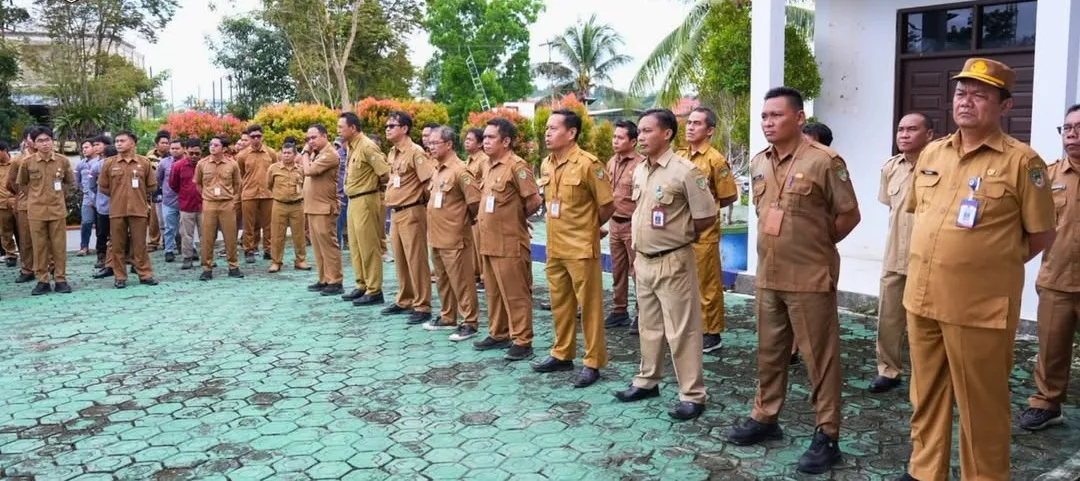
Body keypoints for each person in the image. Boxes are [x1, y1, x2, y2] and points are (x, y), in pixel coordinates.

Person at [902, 58, 1057, 481]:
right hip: (922, 299)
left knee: (981, 407)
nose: (966, 101)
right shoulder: (932, 152)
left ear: (1005, 106)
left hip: (979, 308)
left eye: (980, 94)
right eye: (961, 92)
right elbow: (922, 215)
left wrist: (988, 265)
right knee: (925, 396)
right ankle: (925, 472)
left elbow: (1042, 234)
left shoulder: (1023, 162)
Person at [726, 87, 861, 475]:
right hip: (769, 276)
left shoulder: (825, 161)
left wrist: (817, 245)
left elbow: (850, 215)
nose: (768, 123)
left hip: (810, 277)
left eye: (776, 115)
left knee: (820, 360)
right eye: (764, 116)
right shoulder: (759, 162)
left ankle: (827, 434)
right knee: (769, 352)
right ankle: (766, 417)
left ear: (799, 118)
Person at [613, 108, 716, 420]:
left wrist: (679, 237)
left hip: (673, 260)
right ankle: (647, 380)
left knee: (682, 331)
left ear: (667, 133)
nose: (640, 136)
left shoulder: (685, 172)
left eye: (647, 131)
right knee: (649, 326)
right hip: (643, 260)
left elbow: (706, 216)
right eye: (640, 131)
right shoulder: (641, 170)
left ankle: (692, 395)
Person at [532, 109, 615, 387]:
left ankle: (593, 362)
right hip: (555, 246)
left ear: (571, 133)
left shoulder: (589, 164)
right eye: (546, 128)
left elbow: (607, 205)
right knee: (560, 303)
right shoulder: (546, 164)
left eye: (553, 128)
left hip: (581, 248)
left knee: (589, 307)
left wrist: (589, 228)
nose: (547, 133)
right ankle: (562, 353)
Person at [1021, 103, 1080, 431]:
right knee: (1051, 348)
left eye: (1079, 128)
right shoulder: (1048, 176)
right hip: (1057, 278)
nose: (1072, 134)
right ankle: (1046, 403)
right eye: (1067, 128)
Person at [870, 113, 934, 394]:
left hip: (930, 257)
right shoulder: (890, 168)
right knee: (889, 317)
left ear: (929, 134)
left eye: (912, 129)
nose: (904, 135)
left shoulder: (940, 166)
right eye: (900, 129)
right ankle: (888, 370)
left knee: (929, 321)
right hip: (895, 254)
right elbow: (890, 204)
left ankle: (928, 376)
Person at [473, 117, 542, 360]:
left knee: (515, 293)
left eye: (491, 137)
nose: (485, 141)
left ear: (506, 141)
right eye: (484, 137)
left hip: (509, 241)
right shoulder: (488, 165)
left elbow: (534, 200)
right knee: (493, 292)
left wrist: (515, 218)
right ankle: (499, 333)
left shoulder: (517, 166)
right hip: (488, 241)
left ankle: (522, 340)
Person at [677, 107, 740, 353]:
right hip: (680, 230)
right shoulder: (679, 155)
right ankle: (691, 327)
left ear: (710, 130)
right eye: (689, 122)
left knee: (707, 283)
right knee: (683, 282)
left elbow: (729, 195)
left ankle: (712, 333)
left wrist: (706, 209)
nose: (690, 127)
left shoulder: (715, 160)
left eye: (697, 123)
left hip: (704, 233)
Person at [424, 126, 482, 341]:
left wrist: (464, 222)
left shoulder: (460, 170)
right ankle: (448, 316)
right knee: (442, 279)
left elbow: (475, 202)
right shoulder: (437, 169)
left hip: (455, 235)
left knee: (462, 280)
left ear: (449, 144)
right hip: (436, 235)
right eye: (429, 143)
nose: (430, 147)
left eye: (435, 143)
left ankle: (470, 322)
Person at [381, 111, 434, 324]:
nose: (387, 129)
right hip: (396, 212)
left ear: (404, 129)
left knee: (416, 259)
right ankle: (405, 299)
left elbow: (428, 182)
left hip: (412, 211)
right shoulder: (393, 153)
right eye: (387, 126)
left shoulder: (415, 152)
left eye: (392, 126)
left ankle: (423, 305)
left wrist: (422, 205)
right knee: (401, 259)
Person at [338, 112, 389, 305]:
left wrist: (373, 188)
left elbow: (384, 173)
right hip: (353, 200)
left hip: (366, 198)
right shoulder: (352, 146)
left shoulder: (367, 146)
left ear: (352, 128)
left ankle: (374, 290)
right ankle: (362, 285)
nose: (338, 130)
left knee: (369, 246)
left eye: (341, 127)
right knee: (356, 246)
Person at [16, 127, 75, 295]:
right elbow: (22, 184)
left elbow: (69, 182)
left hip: (57, 210)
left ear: (52, 141)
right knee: (39, 247)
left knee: (59, 246)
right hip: (36, 211)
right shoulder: (27, 162)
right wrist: (35, 197)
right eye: (40, 141)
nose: (44, 144)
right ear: (34, 144)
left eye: (47, 139)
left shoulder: (62, 161)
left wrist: (59, 197)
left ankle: (60, 279)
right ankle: (42, 280)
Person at [98, 131, 159, 289]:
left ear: (132, 143)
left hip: (138, 209)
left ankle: (145, 274)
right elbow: (103, 187)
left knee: (140, 245)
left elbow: (151, 186)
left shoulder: (144, 162)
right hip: (117, 210)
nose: (118, 143)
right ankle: (120, 277)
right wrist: (119, 195)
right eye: (117, 141)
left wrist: (137, 196)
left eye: (122, 141)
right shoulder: (109, 163)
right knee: (117, 245)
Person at [606, 120, 644, 333]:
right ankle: (619, 310)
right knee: (617, 269)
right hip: (614, 223)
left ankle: (642, 314)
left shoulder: (641, 165)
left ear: (633, 141)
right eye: (614, 137)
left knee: (637, 271)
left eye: (620, 138)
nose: (615, 141)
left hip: (632, 225)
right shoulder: (611, 162)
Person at [303, 124, 345, 295]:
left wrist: (304, 152)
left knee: (328, 246)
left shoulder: (330, 154)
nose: (310, 141)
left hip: (324, 208)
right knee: (318, 247)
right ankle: (324, 279)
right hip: (313, 207)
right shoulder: (318, 153)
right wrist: (309, 153)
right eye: (308, 139)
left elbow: (308, 170)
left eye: (314, 137)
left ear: (325, 136)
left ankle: (335, 280)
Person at [195, 137, 245, 280]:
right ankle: (207, 268)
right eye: (211, 144)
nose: (212, 147)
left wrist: (232, 198)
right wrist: (207, 196)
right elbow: (198, 183)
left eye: (216, 145)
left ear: (223, 148)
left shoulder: (232, 164)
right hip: (209, 203)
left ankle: (233, 267)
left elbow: (237, 184)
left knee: (230, 236)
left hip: (227, 203)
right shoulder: (202, 164)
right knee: (207, 237)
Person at [235, 125, 277, 263]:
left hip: (268, 193)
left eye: (258, 136)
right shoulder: (242, 155)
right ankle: (249, 250)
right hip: (249, 193)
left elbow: (275, 170)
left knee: (269, 224)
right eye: (253, 137)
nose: (256, 139)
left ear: (262, 136)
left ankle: (268, 249)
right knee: (249, 225)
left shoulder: (271, 153)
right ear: (249, 138)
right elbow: (240, 174)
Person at [266, 141, 309, 273]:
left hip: (297, 205)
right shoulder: (273, 169)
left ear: (295, 155)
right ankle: (276, 262)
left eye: (289, 153)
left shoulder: (301, 169)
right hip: (279, 204)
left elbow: (305, 185)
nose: (286, 155)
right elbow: (269, 185)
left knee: (299, 234)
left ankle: (300, 260)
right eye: (284, 153)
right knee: (277, 235)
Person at [10, 129, 39, 283]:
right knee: (26, 239)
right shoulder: (18, 160)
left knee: (47, 238)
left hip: (45, 204)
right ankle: (27, 270)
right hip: (25, 204)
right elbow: (12, 183)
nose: (36, 141)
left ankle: (51, 266)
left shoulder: (54, 159)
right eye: (33, 138)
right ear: (26, 140)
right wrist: (25, 193)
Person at [170, 139, 203, 270]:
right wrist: (185, 194)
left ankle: (207, 259)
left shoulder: (205, 165)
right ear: (186, 151)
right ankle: (187, 258)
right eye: (191, 153)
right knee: (186, 234)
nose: (194, 156)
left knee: (206, 234)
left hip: (204, 205)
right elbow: (173, 184)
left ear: (201, 152)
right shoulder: (178, 166)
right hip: (186, 205)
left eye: (197, 153)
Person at [464, 128, 488, 288]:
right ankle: (475, 273)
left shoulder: (483, 160)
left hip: (479, 206)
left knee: (481, 243)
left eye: (470, 140)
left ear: (479, 144)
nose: (466, 142)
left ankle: (485, 276)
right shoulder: (469, 160)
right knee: (473, 243)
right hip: (470, 207)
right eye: (466, 139)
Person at [90, 139, 115, 278]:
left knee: (111, 234)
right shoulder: (97, 167)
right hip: (103, 206)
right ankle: (102, 257)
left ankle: (119, 257)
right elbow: (91, 184)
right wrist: (98, 195)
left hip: (116, 206)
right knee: (102, 233)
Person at [156, 138, 184, 263]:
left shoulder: (189, 162)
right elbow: (158, 179)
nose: (174, 151)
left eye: (177, 148)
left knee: (186, 228)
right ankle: (169, 250)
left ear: (184, 149)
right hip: (168, 200)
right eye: (172, 148)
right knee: (169, 227)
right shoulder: (163, 163)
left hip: (185, 200)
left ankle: (190, 249)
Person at [145, 130, 170, 252]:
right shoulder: (149, 157)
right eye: (162, 143)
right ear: (157, 144)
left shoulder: (172, 156)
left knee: (169, 217)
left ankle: (168, 241)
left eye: (167, 143)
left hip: (170, 191)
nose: (165, 145)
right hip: (155, 191)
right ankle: (154, 241)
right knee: (154, 218)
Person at [75, 139, 95, 256]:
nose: (84, 150)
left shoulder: (101, 162)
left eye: (87, 147)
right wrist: (86, 192)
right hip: (87, 197)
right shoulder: (80, 164)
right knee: (86, 222)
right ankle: (84, 247)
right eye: (83, 148)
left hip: (101, 197)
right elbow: (77, 181)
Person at [0, 141, 17, 268]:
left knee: (23, 232)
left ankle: (27, 256)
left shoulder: (16, 163)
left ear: (4, 151)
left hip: (17, 202)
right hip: (1, 204)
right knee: (5, 232)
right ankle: (10, 255)